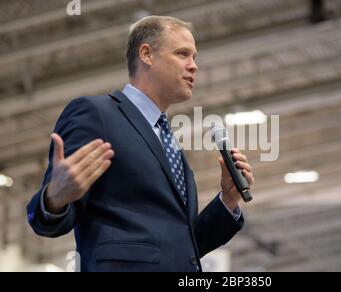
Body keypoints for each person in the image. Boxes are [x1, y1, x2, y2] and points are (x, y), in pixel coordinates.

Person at [26, 16, 254, 272]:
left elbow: (181, 250)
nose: (194, 66)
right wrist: (54, 197)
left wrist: (228, 201)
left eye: (195, 57)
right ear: (146, 54)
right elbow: (46, 221)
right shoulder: (96, 114)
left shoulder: (167, 142)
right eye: (182, 54)